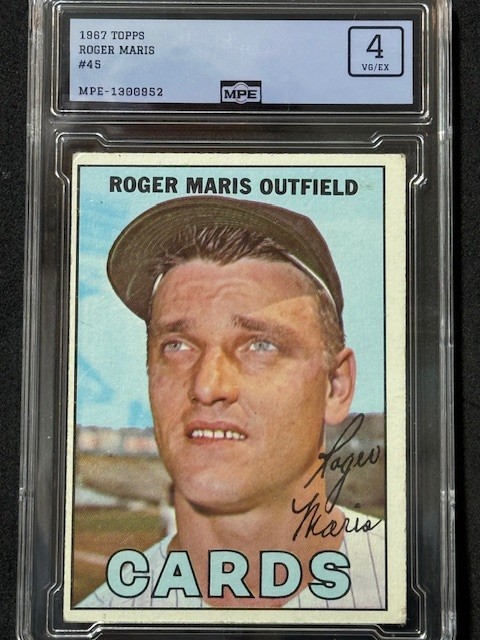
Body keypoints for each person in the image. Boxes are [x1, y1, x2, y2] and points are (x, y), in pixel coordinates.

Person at [79, 195, 385, 610]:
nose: (207, 386)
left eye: (260, 345)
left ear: (335, 386)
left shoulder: (411, 586)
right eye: (177, 346)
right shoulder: (100, 620)